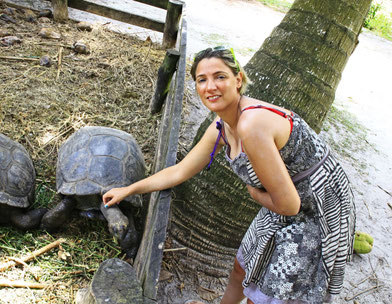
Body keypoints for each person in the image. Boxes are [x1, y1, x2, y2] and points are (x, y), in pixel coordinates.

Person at [102, 47, 356, 304]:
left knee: (266, 296)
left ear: (238, 80)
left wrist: (255, 194)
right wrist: (129, 189)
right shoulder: (221, 127)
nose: (210, 86)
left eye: (220, 76)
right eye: (202, 79)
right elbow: (180, 170)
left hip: (318, 208)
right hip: (281, 198)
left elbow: (290, 205)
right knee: (241, 268)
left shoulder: (251, 124)